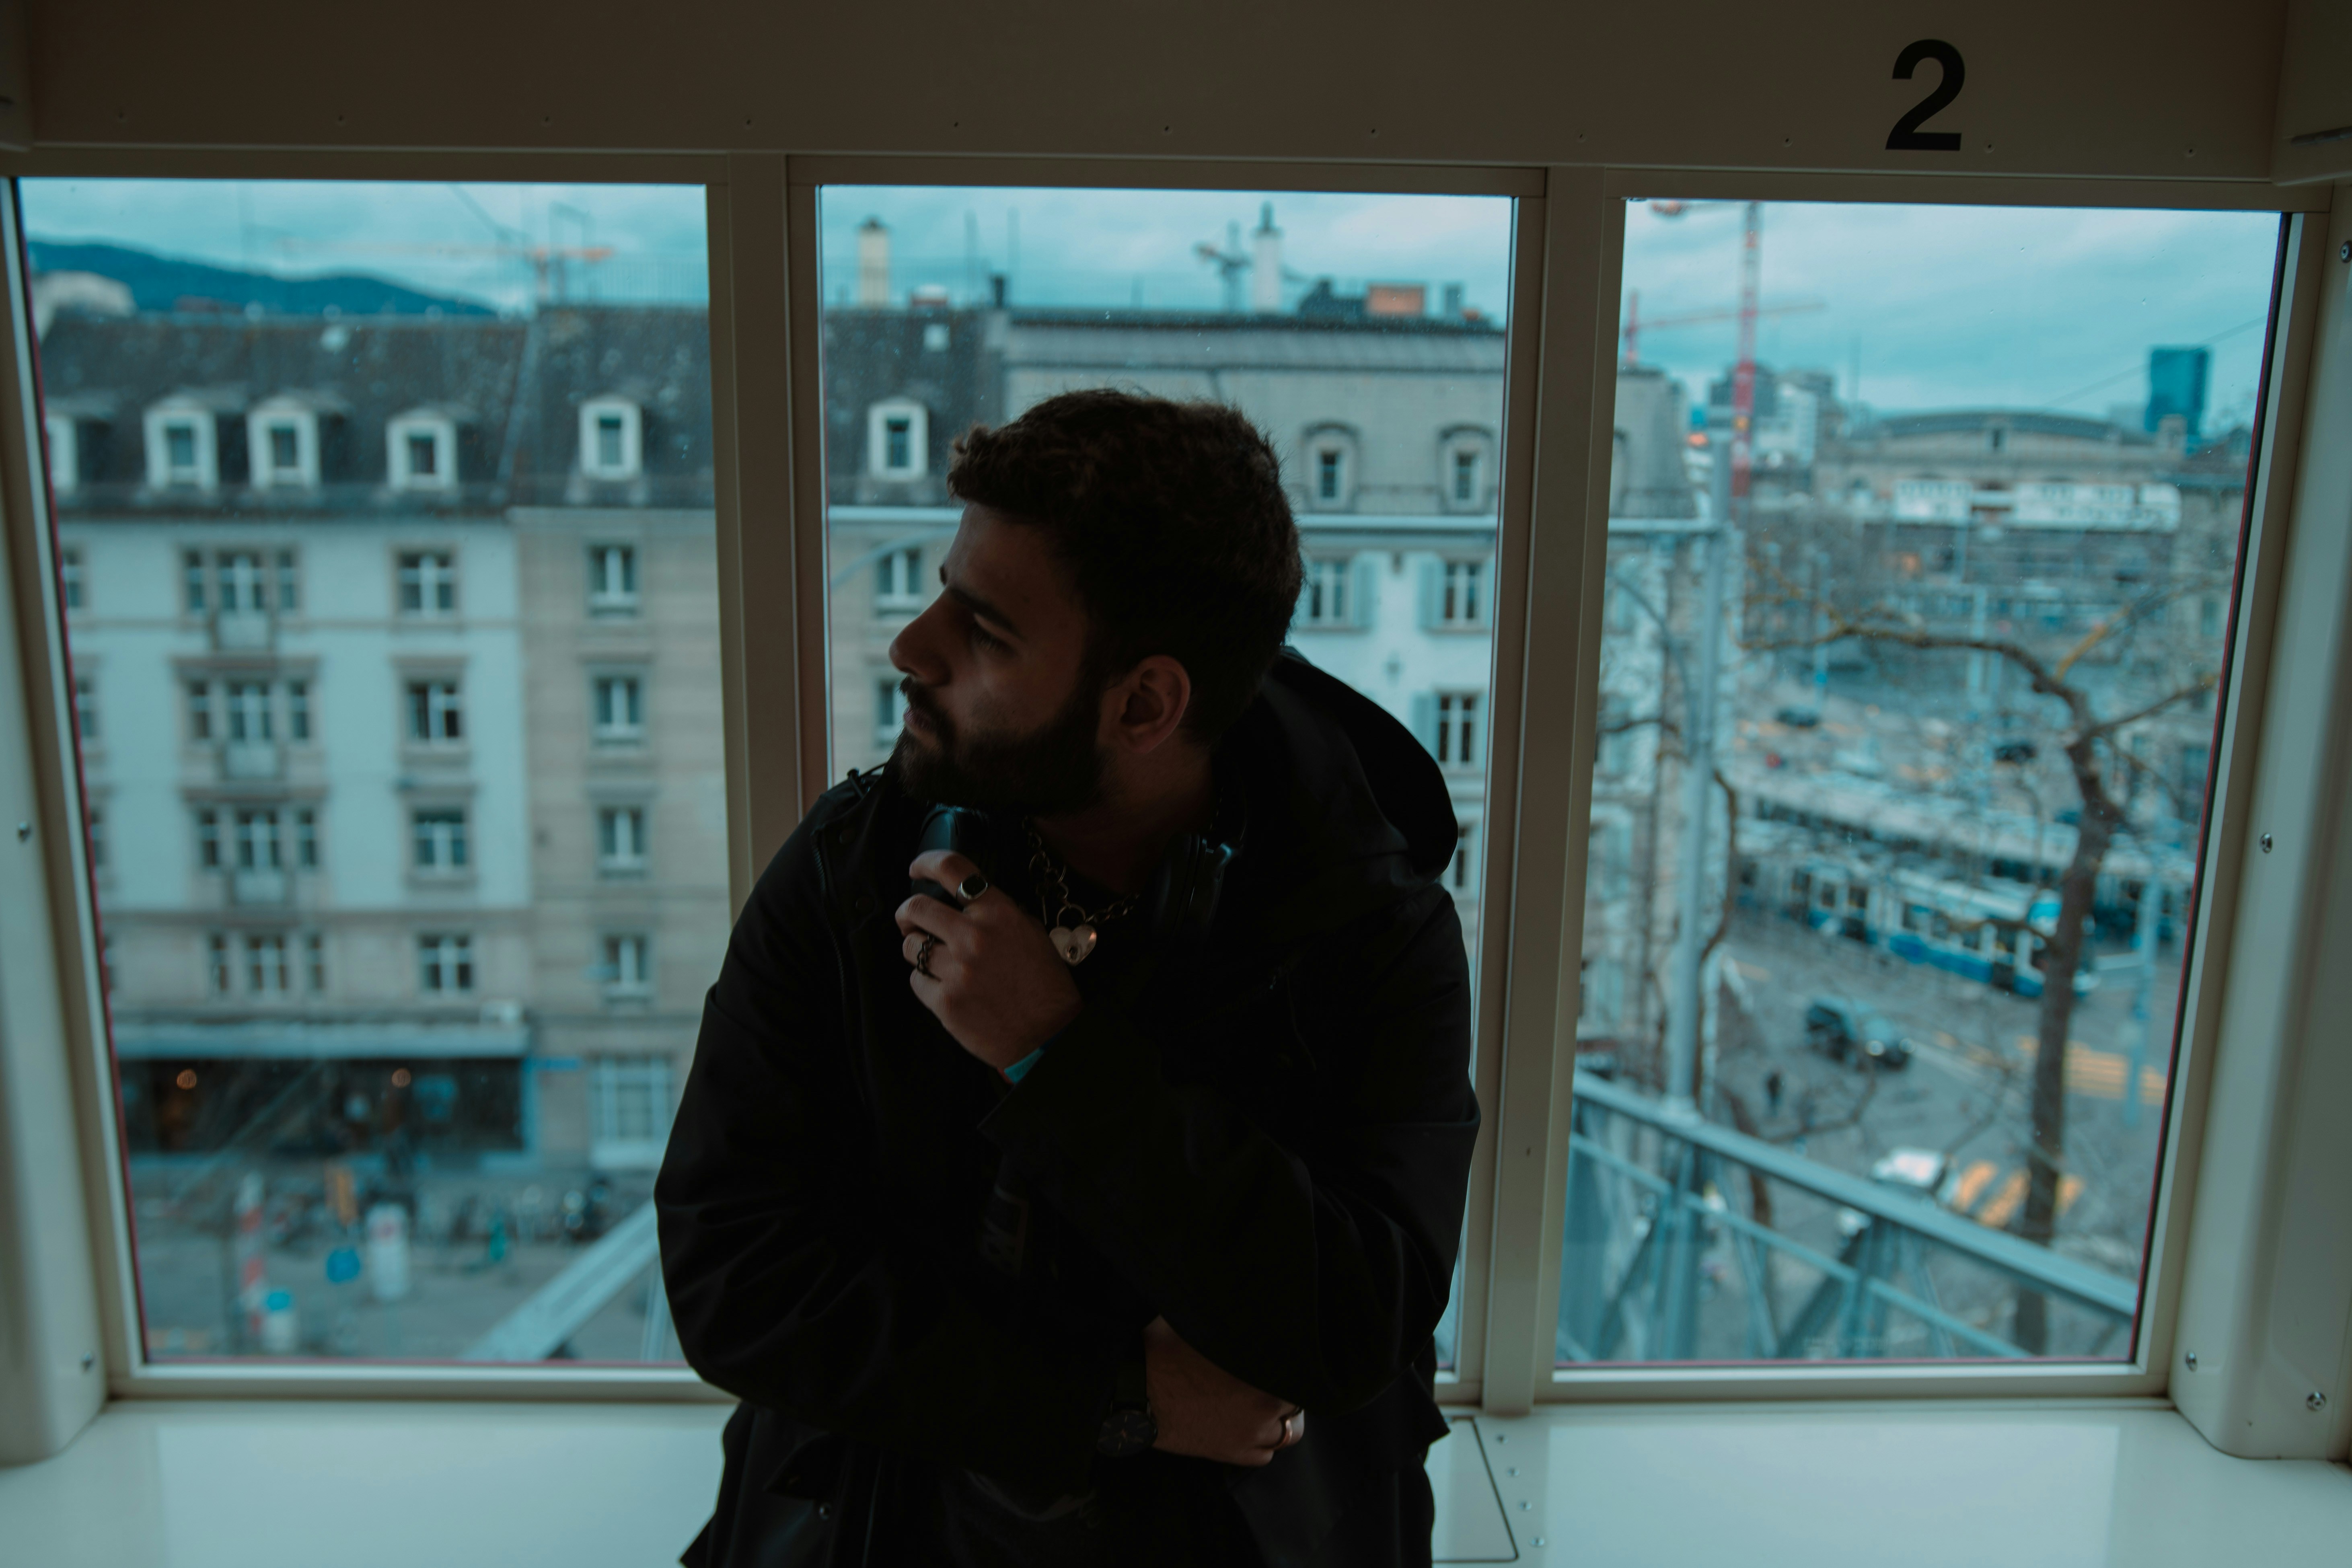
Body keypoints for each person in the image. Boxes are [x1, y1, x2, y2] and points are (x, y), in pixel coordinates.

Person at [656, 389, 1480, 1567]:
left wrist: (1058, 1052)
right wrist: (1114, 1393)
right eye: (944, 587)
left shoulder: (1365, 922)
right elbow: (729, 1270)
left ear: (1145, 703)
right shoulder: (854, 867)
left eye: (983, 630)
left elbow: (1360, 1318)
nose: (912, 644)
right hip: (884, 1528)